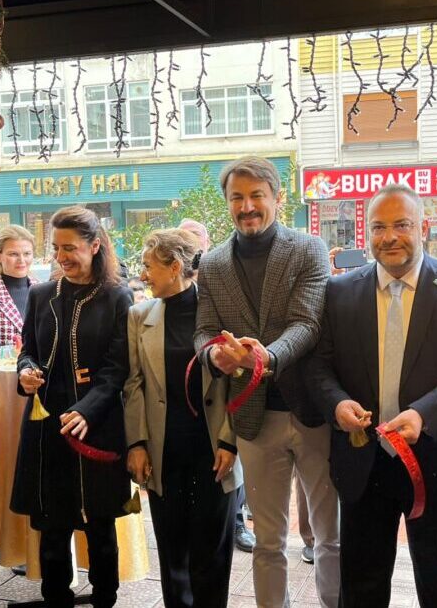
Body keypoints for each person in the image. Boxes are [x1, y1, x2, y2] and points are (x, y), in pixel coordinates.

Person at [307, 185, 437, 607]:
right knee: (360, 584)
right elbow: (319, 365)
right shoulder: (340, 293)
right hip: (363, 462)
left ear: (424, 228)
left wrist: (424, 415)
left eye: (401, 225)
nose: (389, 236)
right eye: (378, 227)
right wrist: (337, 403)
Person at [195, 156, 340, 608]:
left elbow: (307, 323)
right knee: (268, 540)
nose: (247, 206)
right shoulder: (213, 263)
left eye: (257, 195)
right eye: (237, 197)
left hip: (312, 410)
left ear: (278, 198)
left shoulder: (308, 249)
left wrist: (264, 357)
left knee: (330, 537)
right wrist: (214, 354)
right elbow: (203, 330)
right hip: (253, 419)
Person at [12, 205, 132, 608]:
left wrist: (89, 409)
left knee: (100, 522)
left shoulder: (118, 296)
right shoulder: (41, 294)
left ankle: (105, 596)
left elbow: (118, 368)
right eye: (56, 248)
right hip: (46, 423)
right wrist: (26, 373)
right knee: (51, 522)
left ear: (95, 246)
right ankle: (55, 595)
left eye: (71, 248)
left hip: (95, 423)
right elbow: (27, 351)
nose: (61, 257)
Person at [124, 228, 240, 607]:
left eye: (148, 266)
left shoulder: (220, 310)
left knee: (212, 551)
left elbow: (240, 383)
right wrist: (137, 443)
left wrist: (229, 441)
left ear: (175, 267)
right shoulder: (139, 315)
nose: (142, 275)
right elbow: (134, 385)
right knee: (172, 550)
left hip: (214, 451)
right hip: (164, 449)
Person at [178, 217, 255, 551]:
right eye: (187, 241)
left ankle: (238, 521)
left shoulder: (221, 279)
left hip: (228, 383)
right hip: (192, 392)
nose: (195, 247)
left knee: (231, 461)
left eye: (198, 239)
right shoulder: (176, 293)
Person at [0, 225, 38, 346]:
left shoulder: (43, 291)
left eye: (27, 253)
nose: (21, 260)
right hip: (0, 364)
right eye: (13, 254)